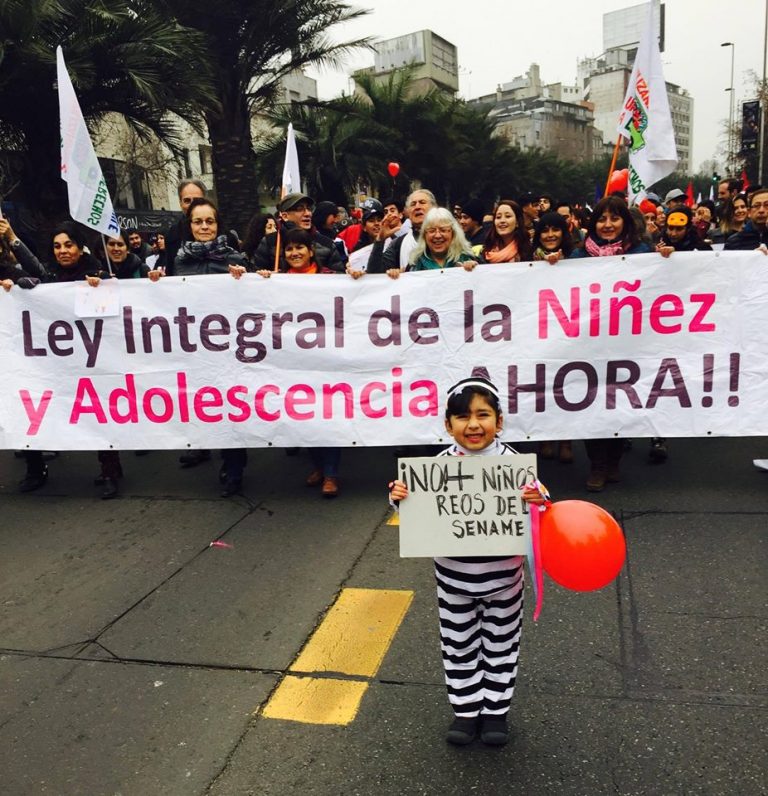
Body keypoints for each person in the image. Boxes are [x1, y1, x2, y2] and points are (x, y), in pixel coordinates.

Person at [388, 376, 548, 747]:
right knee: (458, 645)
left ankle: (495, 712)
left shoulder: (515, 465)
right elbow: (411, 506)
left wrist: (537, 497)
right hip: (453, 582)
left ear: (499, 420)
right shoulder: (435, 467)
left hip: (504, 581)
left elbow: (541, 503)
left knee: (501, 644)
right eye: (462, 417)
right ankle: (465, 710)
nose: (473, 425)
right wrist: (398, 495)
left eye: (483, 415)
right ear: (448, 425)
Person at [158, 197, 252, 495]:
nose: (204, 227)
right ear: (190, 225)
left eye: (209, 221)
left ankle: (235, 467)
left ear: (217, 224)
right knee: (211, 407)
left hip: (232, 348)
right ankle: (225, 456)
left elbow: (255, 299)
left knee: (233, 407)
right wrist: (156, 283)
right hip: (198, 349)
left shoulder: (235, 258)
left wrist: (246, 278)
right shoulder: (180, 259)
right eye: (198, 221)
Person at [16, 222, 105, 493]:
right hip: (52, 359)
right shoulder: (50, 276)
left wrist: (101, 285)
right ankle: (35, 466)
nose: (63, 251)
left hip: (90, 358)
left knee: (101, 413)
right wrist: (18, 289)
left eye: (68, 245)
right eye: (57, 246)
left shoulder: (96, 271)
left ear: (80, 247)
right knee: (31, 404)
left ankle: (109, 470)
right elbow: (36, 274)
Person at [570, 196, 651, 491]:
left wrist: (667, 259)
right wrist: (551, 266)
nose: (607, 225)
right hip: (587, 346)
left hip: (627, 345)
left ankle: (614, 459)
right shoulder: (579, 256)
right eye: (602, 219)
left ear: (624, 223)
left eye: (614, 219)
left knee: (619, 404)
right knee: (590, 405)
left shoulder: (643, 252)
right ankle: (597, 464)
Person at [279, 227, 343, 496]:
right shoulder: (277, 281)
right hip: (296, 361)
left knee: (328, 416)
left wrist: (353, 278)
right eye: (289, 249)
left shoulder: (329, 278)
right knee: (306, 416)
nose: (294, 253)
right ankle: (318, 466)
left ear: (311, 251)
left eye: (299, 248)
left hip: (327, 358)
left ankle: (330, 474)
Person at [252, 193, 345, 273]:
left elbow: (338, 277)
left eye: (309, 209)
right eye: (300, 209)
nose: (307, 213)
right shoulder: (270, 242)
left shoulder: (326, 244)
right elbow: (256, 275)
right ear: (285, 216)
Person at [385, 207, 476, 278]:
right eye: (432, 231)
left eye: (443, 230)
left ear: (453, 233)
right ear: (424, 235)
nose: (437, 235)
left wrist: (475, 270)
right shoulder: (414, 264)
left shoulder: (468, 258)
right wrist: (395, 277)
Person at [367, 189, 437, 273]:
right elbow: (374, 273)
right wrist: (379, 241)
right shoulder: (398, 244)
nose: (417, 207)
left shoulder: (447, 238)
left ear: (434, 208)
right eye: (413, 204)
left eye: (422, 202)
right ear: (407, 213)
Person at [160, 179, 207, 274]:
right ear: (180, 203)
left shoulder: (223, 234)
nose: (192, 205)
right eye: (187, 201)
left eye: (197, 200)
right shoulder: (172, 234)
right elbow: (170, 270)